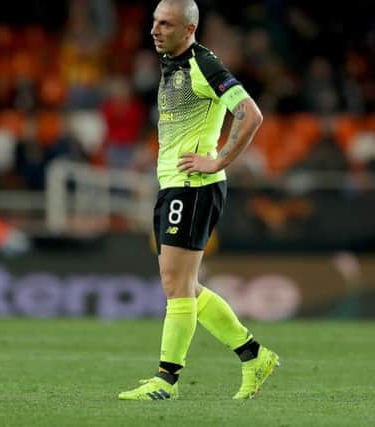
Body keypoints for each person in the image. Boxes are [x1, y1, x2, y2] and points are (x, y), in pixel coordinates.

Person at [118, 0, 278, 401]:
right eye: (154, 21)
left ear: (189, 30)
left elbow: (249, 113)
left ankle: (166, 379)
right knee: (184, 285)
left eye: (165, 24)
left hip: (193, 187)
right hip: (174, 185)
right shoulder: (172, 63)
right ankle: (253, 355)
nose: (155, 30)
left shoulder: (203, 64)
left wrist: (219, 159)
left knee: (177, 286)